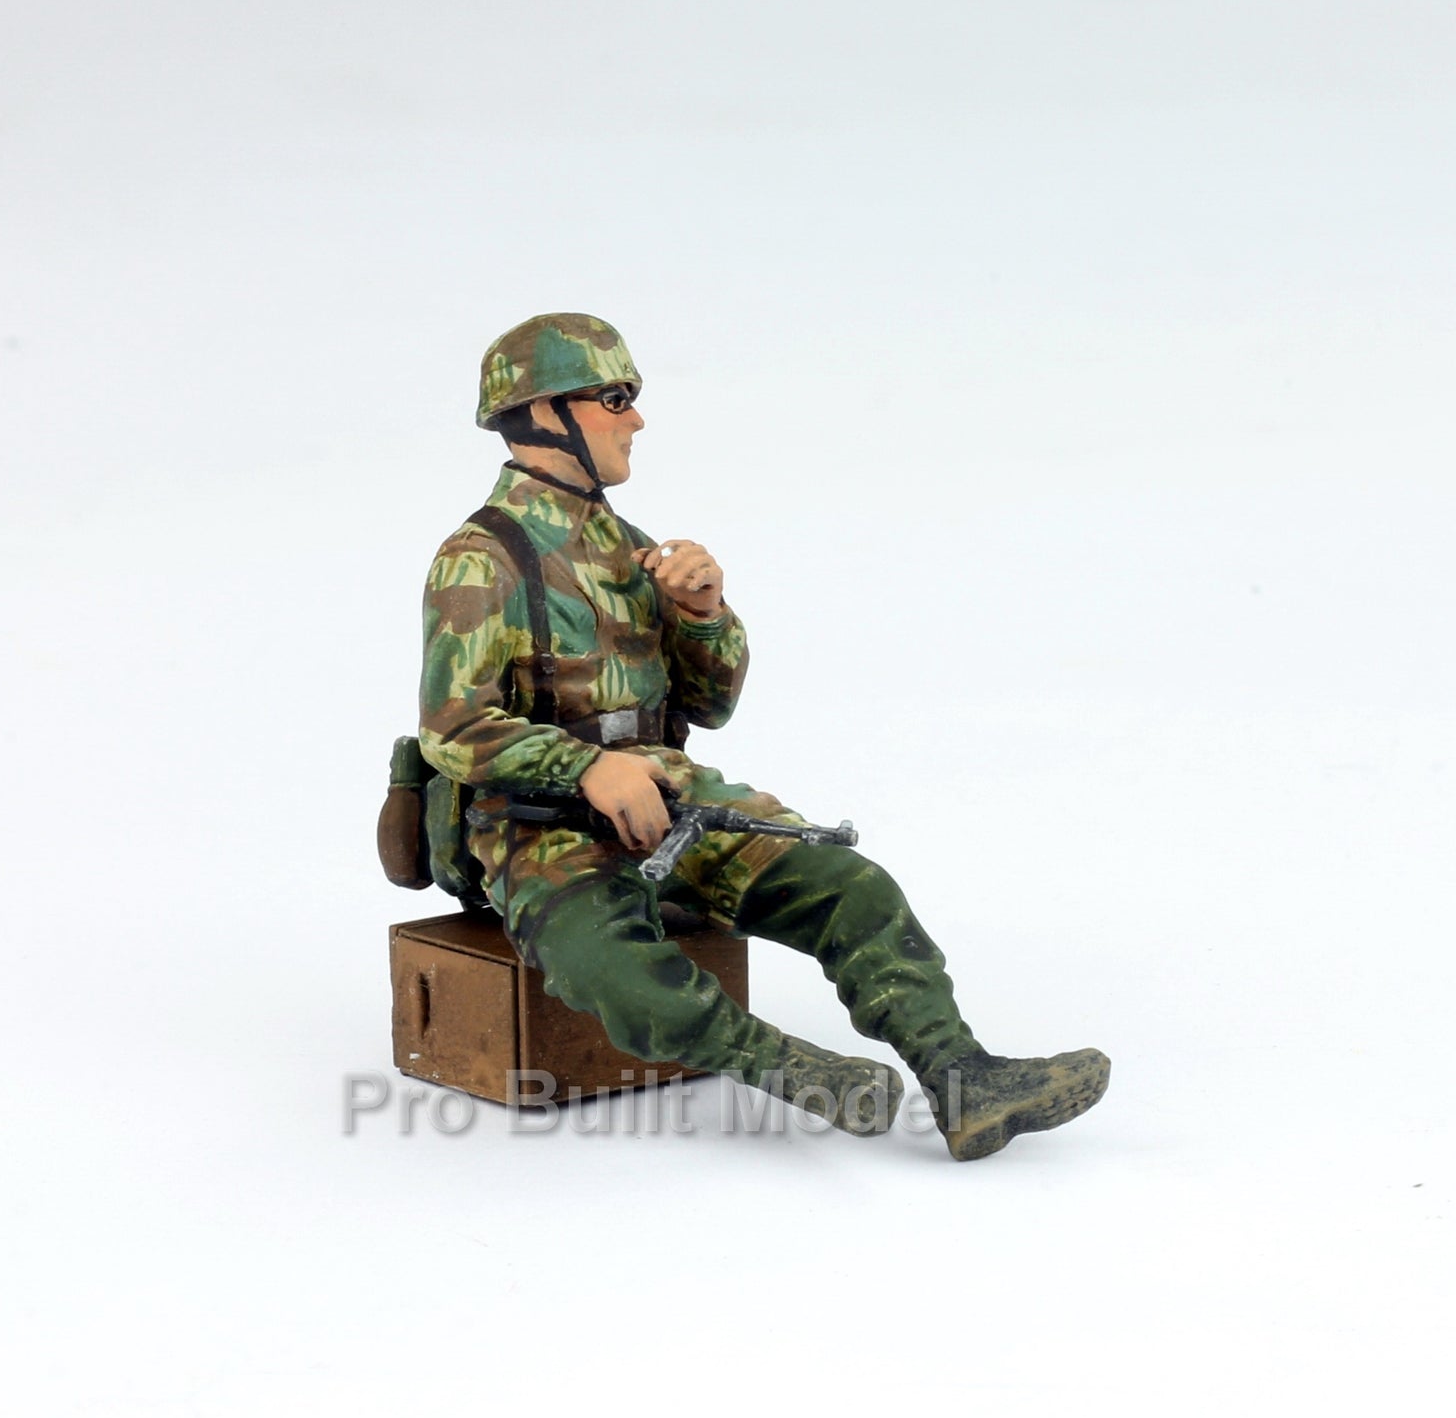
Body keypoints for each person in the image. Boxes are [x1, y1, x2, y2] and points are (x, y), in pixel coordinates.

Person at [417, 312, 1109, 1159]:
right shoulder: (481, 558)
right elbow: (452, 727)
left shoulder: (631, 552)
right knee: (614, 973)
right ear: (542, 412)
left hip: (672, 800)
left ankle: (965, 1079)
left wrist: (702, 614)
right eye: (615, 398)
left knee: (849, 888)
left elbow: (708, 705)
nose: (636, 420)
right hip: (540, 828)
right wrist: (587, 767)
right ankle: (793, 1070)